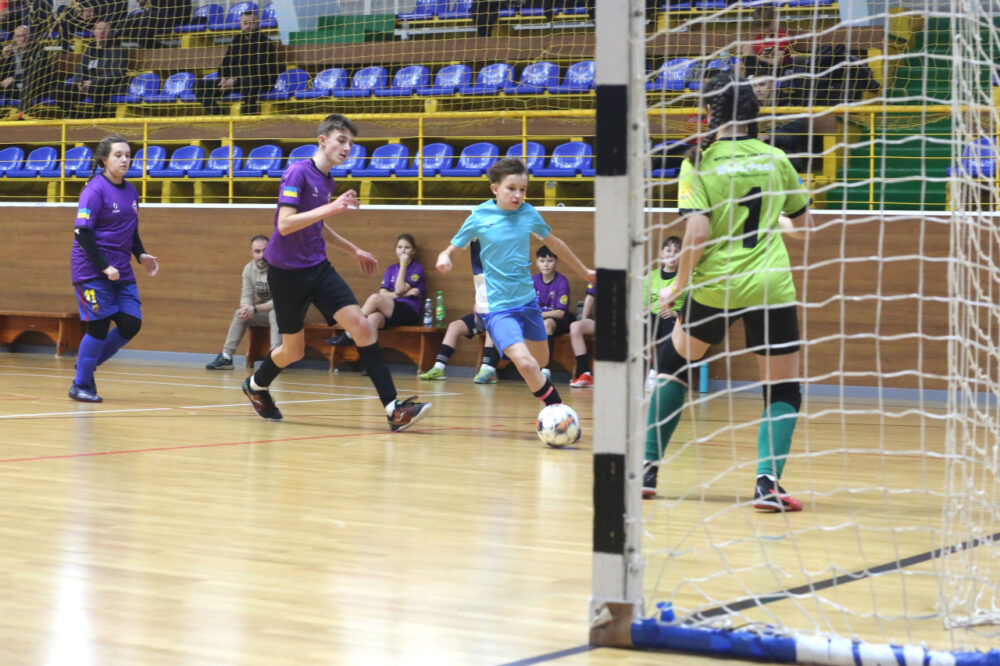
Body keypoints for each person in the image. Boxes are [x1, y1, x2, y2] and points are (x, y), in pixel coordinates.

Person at [643, 72, 812, 513]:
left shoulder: (698, 162)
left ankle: (646, 470)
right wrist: (773, 218)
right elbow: (803, 227)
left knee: (672, 365)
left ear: (708, 112)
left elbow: (697, 233)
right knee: (783, 387)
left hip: (716, 286)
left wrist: (677, 286)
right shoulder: (776, 158)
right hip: (770, 284)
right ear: (755, 111)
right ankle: (767, 484)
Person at [241, 113, 431, 431]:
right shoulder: (297, 172)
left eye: (351, 144)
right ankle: (256, 385)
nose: (347, 148)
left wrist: (354, 249)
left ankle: (394, 409)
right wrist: (332, 207)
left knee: (363, 326)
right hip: (286, 274)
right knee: (293, 351)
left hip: (318, 268)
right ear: (322, 140)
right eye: (341, 140)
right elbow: (285, 225)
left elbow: (317, 225)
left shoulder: (327, 180)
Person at [434, 157, 594, 413]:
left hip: (528, 303)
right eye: (511, 188)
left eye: (523, 189)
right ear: (495, 188)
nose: (518, 195)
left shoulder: (528, 213)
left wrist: (584, 271)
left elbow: (555, 243)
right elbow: (452, 248)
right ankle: (557, 409)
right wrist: (445, 257)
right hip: (498, 308)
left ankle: (545, 395)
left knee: (540, 360)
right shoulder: (479, 216)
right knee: (527, 364)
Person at [69, 135, 159, 402]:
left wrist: (140, 254)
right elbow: (82, 232)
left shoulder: (131, 191)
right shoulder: (94, 190)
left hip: (121, 270)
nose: (124, 160)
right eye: (118, 155)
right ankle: (81, 385)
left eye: (128, 155)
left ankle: (87, 364)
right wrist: (104, 267)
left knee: (131, 323)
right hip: (92, 270)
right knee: (98, 326)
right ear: (104, 159)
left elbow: (131, 230)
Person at [418, 240, 501, 384]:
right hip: (481, 313)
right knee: (454, 326)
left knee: (491, 325)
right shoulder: (480, 271)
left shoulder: (500, 266)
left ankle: (487, 369)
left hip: (499, 316)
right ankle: (438, 367)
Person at [327, 233, 425, 346]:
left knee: (375, 299)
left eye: (407, 247)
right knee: (373, 318)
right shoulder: (391, 269)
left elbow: (399, 289)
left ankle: (349, 333)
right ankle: (370, 354)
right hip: (391, 310)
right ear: (396, 250)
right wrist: (405, 294)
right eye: (400, 247)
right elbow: (382, 292)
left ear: (413, 251)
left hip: (408, 312)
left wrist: (403, 265)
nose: (403, 251)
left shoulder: (417, 268)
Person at [205, 234, 281, 370]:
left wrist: (255, 309)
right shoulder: (249, 269)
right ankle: (226, 357)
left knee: (275, 313)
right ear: (252, 253)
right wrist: (246, 308)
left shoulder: (281, 267)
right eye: (257, 251)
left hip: (290, 310)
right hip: (265, 309)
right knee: (240, 313)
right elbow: (246, 295)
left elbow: (281, 302)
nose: (261, 255)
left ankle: (275, 359)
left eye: (265, 251)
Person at [193, 10, 280, 116]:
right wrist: (223, 79)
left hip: (259, 82)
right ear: (240, 24)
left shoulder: (264, 41)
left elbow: (256, 69)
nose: (248, 26)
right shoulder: (237, 40)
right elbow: (226, 62)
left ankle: (249, 115)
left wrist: (235, 81)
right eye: (245, 23)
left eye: (252, 23)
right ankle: (220, 114)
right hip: (235, 83)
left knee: (251, 81)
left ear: (257, 24)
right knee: (198, 85)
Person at [58, 20, 127, 118]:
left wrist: (93, 82)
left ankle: (98, 118)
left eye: (105, 30)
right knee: (57, 90)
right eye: (99, 29)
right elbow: (81, 69)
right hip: (86, 85)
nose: (101, 32)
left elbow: (117, 72)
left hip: (106, 86)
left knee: (96, 89)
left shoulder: (116, 50)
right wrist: (79, 82)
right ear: (94, 31)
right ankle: (75, 117)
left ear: (111, 33)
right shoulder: (90, 48)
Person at [643, 235, 684, 386]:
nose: (672, 254)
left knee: (668, 328)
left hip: (675, 317)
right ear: (661, 253)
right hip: (653, 316)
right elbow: (645, 305)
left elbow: (691, 303)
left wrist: (676, 313)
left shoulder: (686, 277)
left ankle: (656, 372)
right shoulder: (651, 275)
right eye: (668, 250)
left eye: (677, 251)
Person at [532, 244, 573, 378]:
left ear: (556, 262)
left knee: (547, 324)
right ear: (537, 262)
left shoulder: (562, 282)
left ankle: (545, 369)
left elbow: (560, 313)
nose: (546, 265)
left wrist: (540, 314)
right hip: (537, 320)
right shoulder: (533, 281)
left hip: (559, 322)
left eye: (550, 261)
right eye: (542, 261)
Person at [0, 25, 48, 108]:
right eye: (18, 36)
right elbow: (3, 73)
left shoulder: (39, 49)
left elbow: (36, 72)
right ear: (14, 38)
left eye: (25, 35)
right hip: (13, 87)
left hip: (33, 88)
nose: (22, 39)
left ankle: (22, 113)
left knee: (29, 81)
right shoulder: (11, 50)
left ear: (30, 36)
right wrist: (4, 57)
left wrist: (13, 78)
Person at [568, 279, 595, 387]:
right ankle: (586, 374)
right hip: (602, 322)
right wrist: (584, 320)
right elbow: (590, 297)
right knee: (575, 327)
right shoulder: (598, 276)